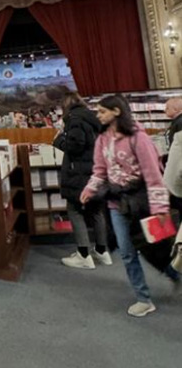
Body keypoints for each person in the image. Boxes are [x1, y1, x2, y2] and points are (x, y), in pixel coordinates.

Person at [81, 94, 178, 317]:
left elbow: (153, 175)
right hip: (117, 204)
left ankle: (176, 275)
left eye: (102, 111)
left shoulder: (138, 138)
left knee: (157, 249)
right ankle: (143, 298)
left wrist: (160, 208)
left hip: (142, 204)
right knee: (126, 252)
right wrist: (89, 190)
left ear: (116, 111)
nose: (98, 115)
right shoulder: (102, 139)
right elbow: (99, 171)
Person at [53, 93, 111, 269]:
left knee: (74, 209)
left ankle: (84, 255)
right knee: (96, 210)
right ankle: (102, 251)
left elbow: (75, 146)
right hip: (94, 169)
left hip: (79, 172)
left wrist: (58, 139)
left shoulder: (75, 119)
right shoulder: (93, 118)